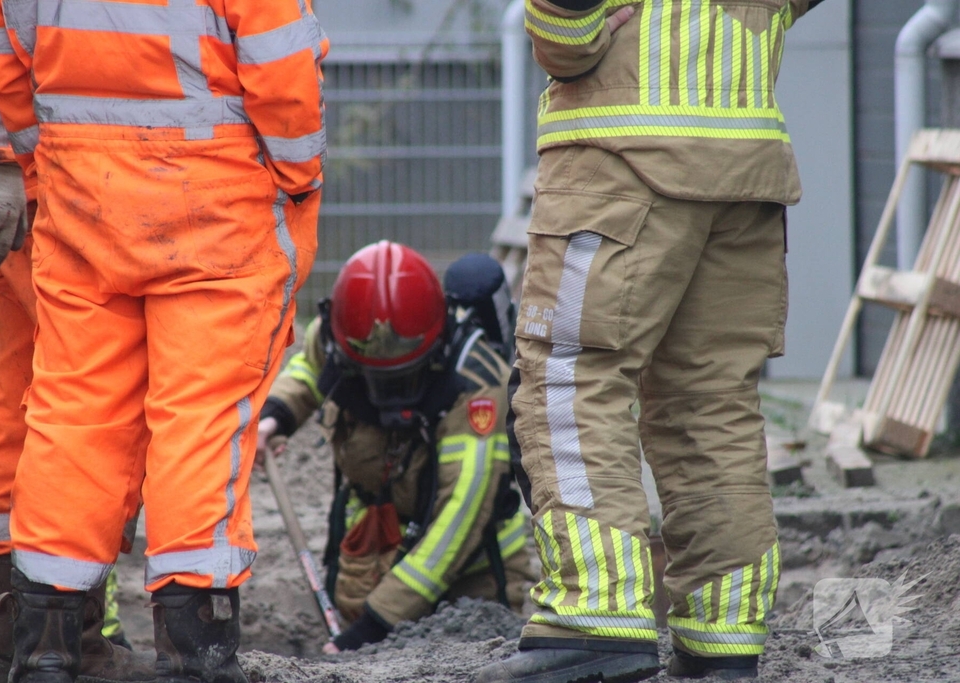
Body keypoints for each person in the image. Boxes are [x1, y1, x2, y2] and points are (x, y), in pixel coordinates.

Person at [0, 1, 327, 682]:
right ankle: (195, 651)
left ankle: (44, 649)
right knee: (200, 418)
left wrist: (30, 160)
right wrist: (297, 174)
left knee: (73, 413)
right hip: (217, 201)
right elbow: (282, 62)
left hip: (82, 195)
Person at [476, 1, 829, 682]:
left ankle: (595, 612)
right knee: (711, 400)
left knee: (571, 380)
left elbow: (567, 39)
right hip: (747, 165)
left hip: (620, 158)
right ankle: (722, 634)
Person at [0, 0, 146, 679]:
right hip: (35, 196)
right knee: (76, 404)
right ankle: (69, 636)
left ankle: (14, 644)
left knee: (9, 408)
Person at [257, 242, 534, 653]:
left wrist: (372, 627)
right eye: (372, 377)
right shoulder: (341, 334)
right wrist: (276, 416)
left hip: (471, 580)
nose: (387, 395)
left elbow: (460, 515)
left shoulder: (475, 386)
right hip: (374, 550)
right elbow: (310, 367)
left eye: (403, 377)